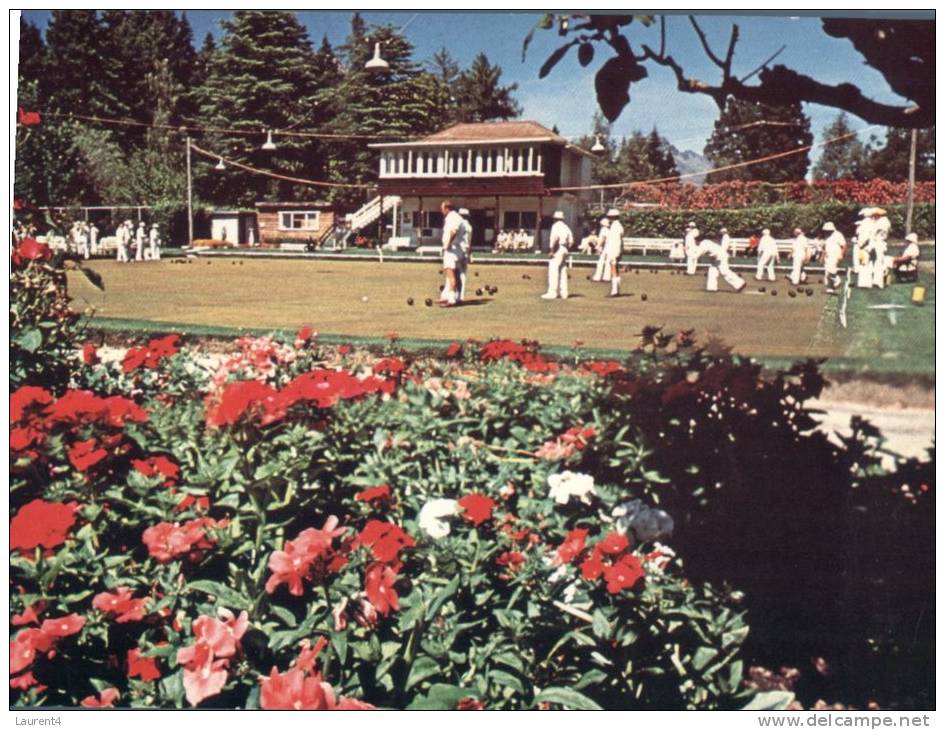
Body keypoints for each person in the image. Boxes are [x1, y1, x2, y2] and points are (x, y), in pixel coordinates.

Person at [541, 211, 574, 300]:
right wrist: (566, 248)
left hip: (558, 249)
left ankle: (552, 292)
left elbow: (555, 239)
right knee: (563, 270)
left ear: (555, 218)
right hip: (565, 249)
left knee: (553, 270)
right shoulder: (566, 227)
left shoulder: (555, 226)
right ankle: (564, 293)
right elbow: (571, 242)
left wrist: (552, 250)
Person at [438, 200, 465, 306]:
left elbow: (453, 231)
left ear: (447, 208)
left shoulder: (452, 218)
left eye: (442, 209)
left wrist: (448, 244)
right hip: (457, 249)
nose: (441, 211)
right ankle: (456, 297)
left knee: (451, 274)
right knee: (457, 274)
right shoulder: (458, 217)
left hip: (452, 249)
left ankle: (452, 299)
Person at [866, 207, 891, 289]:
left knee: (878, 262)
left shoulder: (884, 222)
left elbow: (877, 232)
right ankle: (869, 281)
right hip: (873, 243)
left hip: (879, 243)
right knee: (870, 261)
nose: (873, 216)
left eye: (874, 215)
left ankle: (878, 282)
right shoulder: (876, 222)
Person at [604, 208, 624, 297]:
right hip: (616, 250)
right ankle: (616, 290)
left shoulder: (615, 227)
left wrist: (615, 253)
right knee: (616, 269)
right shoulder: (617, 226)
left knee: (613, 270)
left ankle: (614, 291)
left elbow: (616, 241)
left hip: (614, 250)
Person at [821, 221, 846, 294]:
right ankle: (830, 287)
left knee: (831, 271)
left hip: (835, 255)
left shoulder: (838, 235)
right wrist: (823, 255)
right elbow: (826, 246)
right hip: (828, 256)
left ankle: (835, 282)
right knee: (827, 272)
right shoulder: (827, 236)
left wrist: (842, 254)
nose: (826, 231)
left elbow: (844, 245)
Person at [457, 208, 473, 301]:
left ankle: (455, 295)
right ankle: (461, 296)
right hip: (466, 250)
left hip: (459, 250)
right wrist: (470, 253)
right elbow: (469, 242)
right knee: (463, 274)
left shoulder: (459, 225)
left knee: (455, 273)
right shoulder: (469, 226)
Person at [591, 217, 611, 282]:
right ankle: (607, 277)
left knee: (600, 262)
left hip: (605, 247)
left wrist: (598, 246)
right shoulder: (608, 230)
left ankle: (597, 277)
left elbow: (603, 239)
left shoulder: (603, 229)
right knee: (608, 262)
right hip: (609, 247)